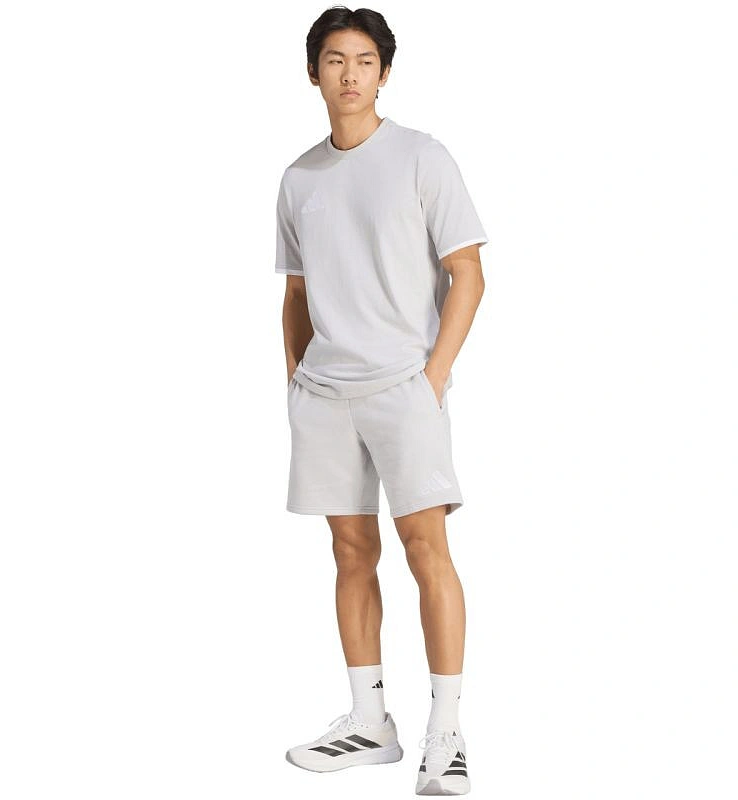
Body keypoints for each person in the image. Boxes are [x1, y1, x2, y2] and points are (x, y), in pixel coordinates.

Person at [275, 7, 488, 795]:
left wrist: (432, 378)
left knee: (426, 549)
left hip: (404, 386)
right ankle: (371, 722)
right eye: (335, 60)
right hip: (325, 393)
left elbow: (468, 274)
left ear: (385, 73)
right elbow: (296, 293)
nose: (350, 74)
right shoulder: (299, 177)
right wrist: (294, 381)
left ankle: (447, 732)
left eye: (365, 61)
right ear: (314, 73)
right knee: (350, 552)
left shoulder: (422, 158)